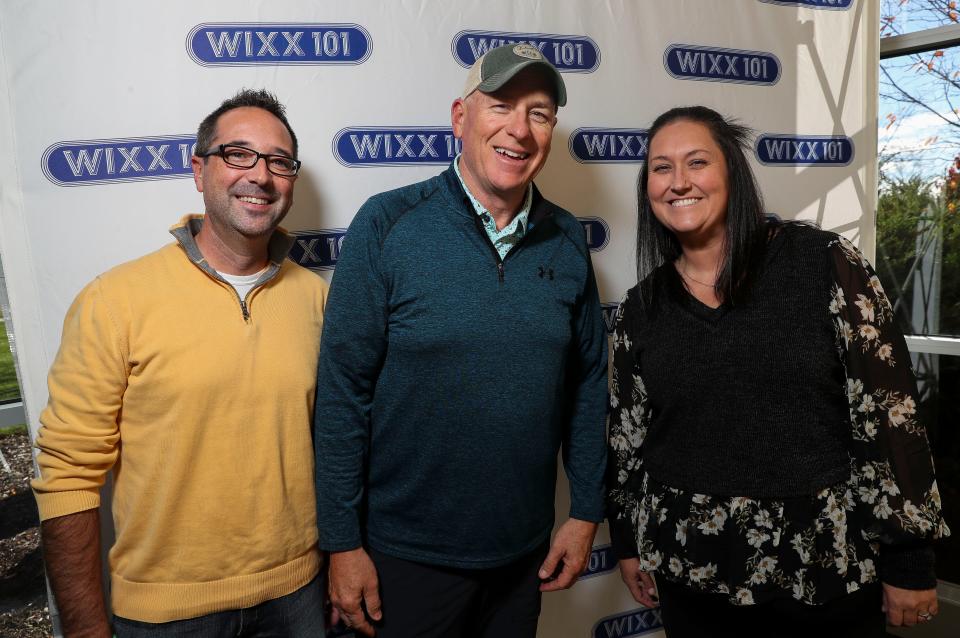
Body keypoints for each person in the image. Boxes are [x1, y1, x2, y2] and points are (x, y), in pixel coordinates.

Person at [606, 105, 950, 636]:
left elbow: (889, 415)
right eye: (660, 168)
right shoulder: (641, 308)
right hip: (692, 576)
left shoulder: (823, 264)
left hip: (823, 573)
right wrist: (628, 543)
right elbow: (627, 442)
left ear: (732, 174)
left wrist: (909, 559)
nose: (678, 183)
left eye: (696, 162)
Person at [314, 43, 608, 638]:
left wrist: (583, 513)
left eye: (540, 113)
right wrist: (342, 544)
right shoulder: (387, 224)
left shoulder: (567, 238)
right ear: (460, 118)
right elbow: (343, 395)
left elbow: (588, 385)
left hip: (521, 556)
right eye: (500, 105)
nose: (519, 130)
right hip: (404, 556)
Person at [31, 89, 329, 637]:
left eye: (278, 161)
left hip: (300, 598)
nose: (260, 175)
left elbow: (340, 445)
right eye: (237, 154)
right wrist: (86, 630)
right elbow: (68, 477)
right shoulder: (114, 300)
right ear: (199, 170)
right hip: (165, 617)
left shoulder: (317, 299)